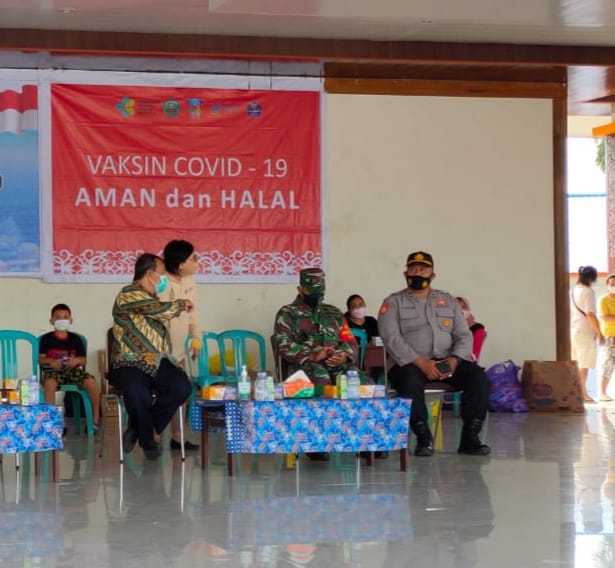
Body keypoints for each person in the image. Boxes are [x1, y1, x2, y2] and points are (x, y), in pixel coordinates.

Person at [378, 251, 491, 457]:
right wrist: (421, 363)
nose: (418, 273)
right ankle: (423, 439)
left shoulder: (448, 301)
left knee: (478, 378)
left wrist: (455, 360)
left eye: (423, 269)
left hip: (448, 361)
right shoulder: (393, 302)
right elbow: (391, 338)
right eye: (413, 269)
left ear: (432, 274)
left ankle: (470, 439)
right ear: (406, 273)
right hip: (410, 364)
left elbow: (464, 336)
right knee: (409, 381)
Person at [109, 253, 193, 460]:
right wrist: (181, 304)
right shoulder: (128, 294)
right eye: (163, 274)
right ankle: (148, 441)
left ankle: (138, 430)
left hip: (156, 361)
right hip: (129, 360)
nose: (165, 279)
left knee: (181, 386)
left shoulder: (151, 298)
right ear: (150, 274)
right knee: (137, 391)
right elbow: (157, 310)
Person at [273, 268, 360, 461]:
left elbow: (350, 341)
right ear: (300, 289)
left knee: (358, 379)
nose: (315, 296)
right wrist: (312, 355)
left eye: (319, 292)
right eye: (311, 292)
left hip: (334, 364)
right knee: (321, 379)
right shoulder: (287, 313)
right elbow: (282, 344)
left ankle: (363, 438)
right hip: (302, 368)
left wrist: (344, 355)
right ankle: (317, 440)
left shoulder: (334, 313)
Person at [160, 239, 201, 452]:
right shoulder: (162, 282)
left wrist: (196, 339)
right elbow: (159, 313)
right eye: (193, 258)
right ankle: (153, 434)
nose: (197, 261)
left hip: (179, 349)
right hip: (159, 350)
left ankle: (178, 437)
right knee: (161, 391)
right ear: (180, 264)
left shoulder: (190, 280)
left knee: (182, 391)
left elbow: (193, 312)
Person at [39, 303, 100, 430]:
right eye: (58, 317)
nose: (62, 320)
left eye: (65, 317)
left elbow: (83, 360)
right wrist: (50, 362)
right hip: (54, 372)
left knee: (91, 382)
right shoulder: (46, 339)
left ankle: (94, 421)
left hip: (73, 371)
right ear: (51, 321)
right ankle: (52, 423)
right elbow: (40, 359)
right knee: (49, 384)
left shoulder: (76, 339)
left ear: (71, 320)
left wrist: (76, 360)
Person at [571, 265, 605, 402]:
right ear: (592, 278)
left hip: (574, 331)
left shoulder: (573, 291)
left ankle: (577, 392)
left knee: (577, 363)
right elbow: (590, 314)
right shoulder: (588, 292)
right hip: (585, 332)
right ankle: (583, 393)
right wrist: (599, 333)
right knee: (584, 365)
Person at [598, 273, 615, 402]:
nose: (614, 286)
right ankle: (602, 393)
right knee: (608, 364)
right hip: (610, 336)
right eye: (612, 284)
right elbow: (603, 317)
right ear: (608, 286)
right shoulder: (604, 299)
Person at [456, 296, 487, 362]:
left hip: (466, 364)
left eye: (464, 307)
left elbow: (474, 356)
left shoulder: (478, 329)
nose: (461, 310)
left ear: (468, 310)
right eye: (457, 308)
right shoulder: (446, 327)